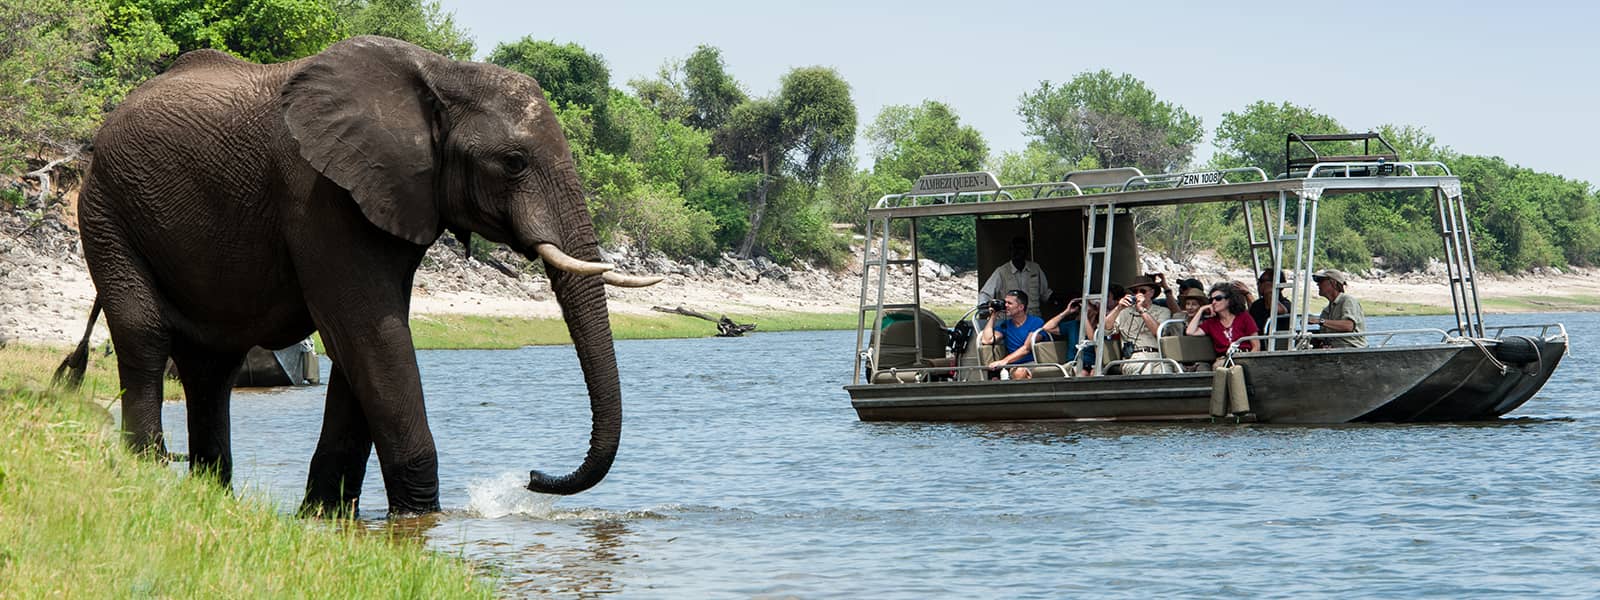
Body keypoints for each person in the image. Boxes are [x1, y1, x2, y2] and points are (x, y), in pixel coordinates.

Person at [1104, 274, 1172, 374]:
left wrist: (1142, 310)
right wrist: (1118, 308)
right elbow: (1105, 329)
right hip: (1133, 358)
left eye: (1143, 291)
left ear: (1151, 293)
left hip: (1158, 356)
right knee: (1146, 369)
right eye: (1135, 291)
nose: (1138, 294)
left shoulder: (1163, 311)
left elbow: (1158, 332)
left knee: (1167, 371)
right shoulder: (1124, 312)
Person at [979, 236, 1052, 318]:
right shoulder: (1001, 271)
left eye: (1021, 249)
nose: (1017, 252)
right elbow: (985, 293)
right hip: (1009, 321)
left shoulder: (1035, 269)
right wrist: (983, 306)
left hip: (1032, 318)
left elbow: (1045, 294)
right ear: (1010, 251)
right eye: (1014, 249)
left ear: (1027, 251)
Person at [980, 290, 1046, 380]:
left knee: (1020, 372)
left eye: (1009, 303)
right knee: (1017, 372)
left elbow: (1026, 348)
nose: (1005, 306)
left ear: (1021, 307)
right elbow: (987, 340)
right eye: (1005, 302)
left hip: (1033, 363)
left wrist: (1004, 361)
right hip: (1014, 366)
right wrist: (993, 316)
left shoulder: (1036, 322)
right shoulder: (1006, 325)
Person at [1187, 283, 1261, 361]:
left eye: (1218, 298)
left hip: (1245, 356)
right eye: (1211, 300)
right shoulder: (1210, 323)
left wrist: (1248, 361)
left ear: (1229, 300)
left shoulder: (1244, 317)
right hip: (1224, 360)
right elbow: (1190, 331)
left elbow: (1256, 346)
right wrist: (1201, 310)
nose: (1214, 302)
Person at [1041, 296, 1100, 375]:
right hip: (1075, 364)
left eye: (1087, 305)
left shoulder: (1100, 327)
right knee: (1082, 373)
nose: (1082, 307)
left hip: (1093, 364)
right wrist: (1066, 312)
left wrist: (1084, 317)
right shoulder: (1072, 325)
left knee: (1095, 374)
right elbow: (1047, 328)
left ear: (1096, 310)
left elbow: (1092, 339)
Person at [1308, 268, 1366, 348]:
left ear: (1334, 283)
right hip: (1335, 350)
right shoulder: (1326, 310)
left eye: (1321, 280)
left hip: (1352, 349)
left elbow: (1348, 326)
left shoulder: (1347, 300)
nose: (1318, 284)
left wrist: (1319, 321)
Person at [1249, 269, 1293, 335]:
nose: (1258, 284)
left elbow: (1280, 311)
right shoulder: (1257, 305)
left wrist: (1269, 292)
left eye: (1261, 281)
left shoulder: (1286, 304)